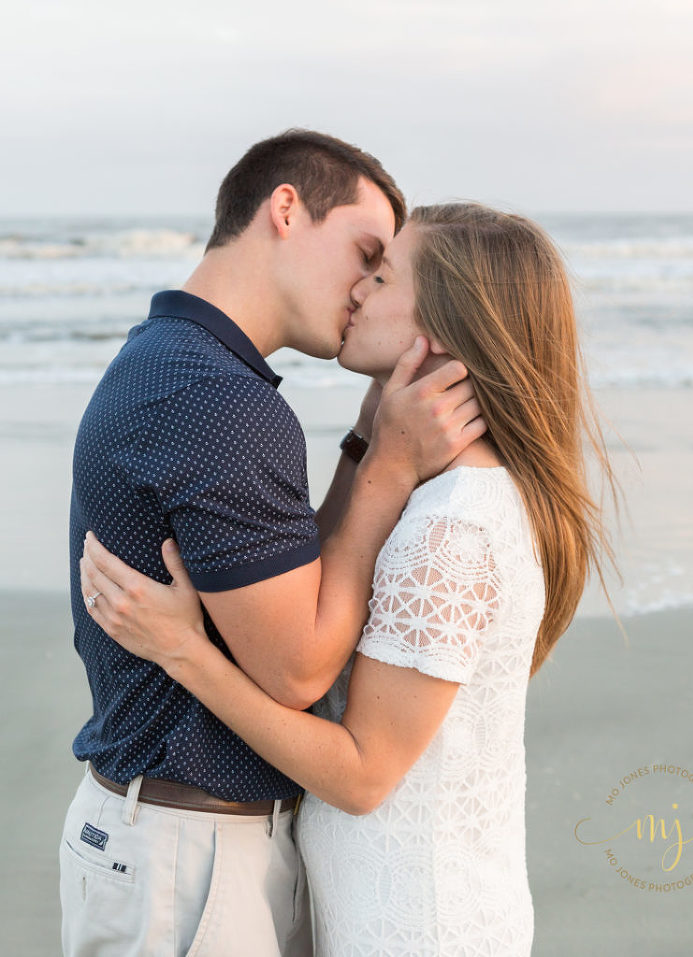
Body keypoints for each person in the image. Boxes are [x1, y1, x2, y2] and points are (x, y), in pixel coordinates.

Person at [82, 203, 618, 956]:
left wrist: (185, 652)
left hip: (417, 926)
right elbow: (328, 583)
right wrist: (371, 444)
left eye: (383, 275)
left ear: (446, 326)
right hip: (385, 908)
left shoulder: (452, 528)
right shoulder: (436, 494)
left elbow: (363, 775)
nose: (358, 288)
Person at [62, 132, 487, 957]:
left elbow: (291, 590)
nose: (365, 288)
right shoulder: (219, 400)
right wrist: (387, 470)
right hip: (188, 857)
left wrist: (362, 446)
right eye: (365, 253)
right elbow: (297, 668)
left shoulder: (170, 357)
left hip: (160, 836)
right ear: (286, 209)